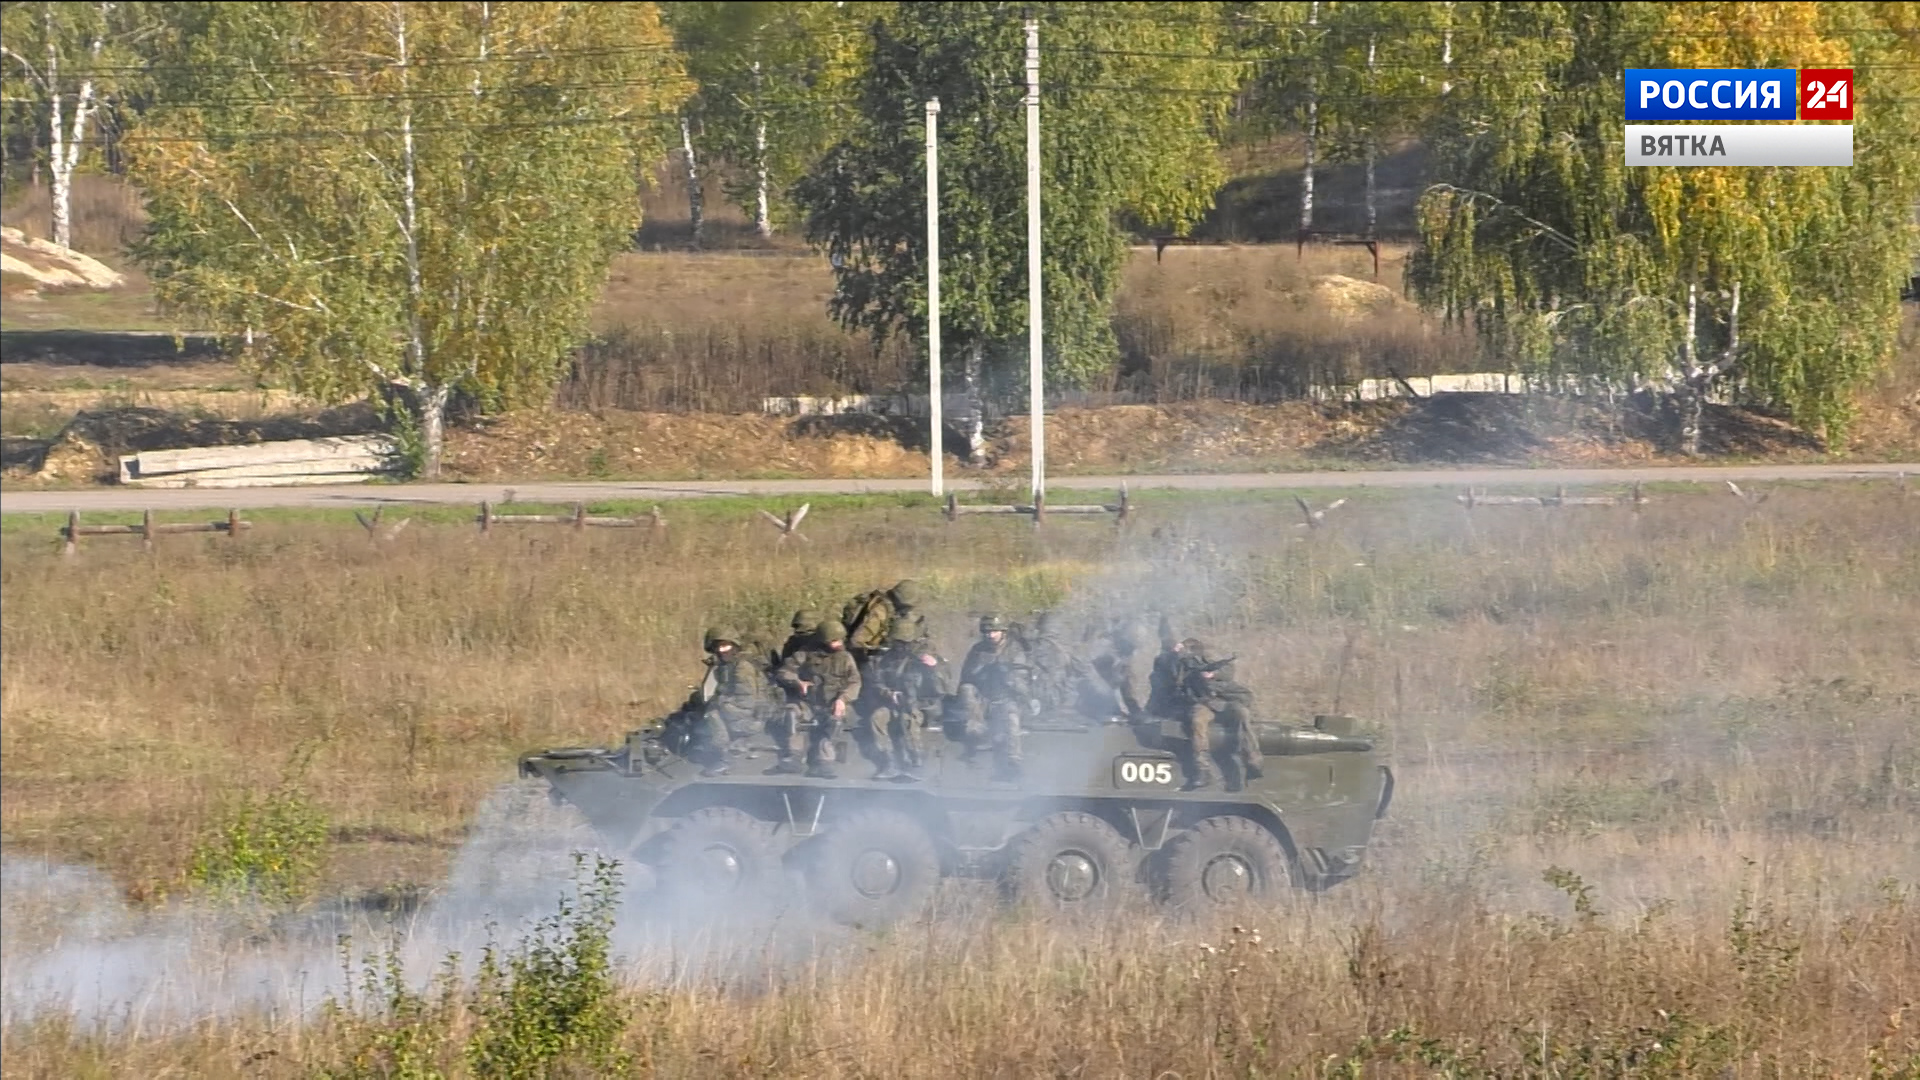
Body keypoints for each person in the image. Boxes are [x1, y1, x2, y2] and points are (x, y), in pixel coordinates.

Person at [674, 627, 776, 777]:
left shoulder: (742, 667)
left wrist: (719, 702)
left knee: (712, 714)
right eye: (718, 647)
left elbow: (746, 701)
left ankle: (723, 758)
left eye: (726, 646)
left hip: (750, 717)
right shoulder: (726, 667)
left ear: (735, 646)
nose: (722, 651)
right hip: (739, 712)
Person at [856, 626, 951, 781]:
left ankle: (916, 762)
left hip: (922, 706)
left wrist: (933, 668)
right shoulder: (887, 660)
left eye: (902, 643)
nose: (898, 646)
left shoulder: (926, 659)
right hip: (895, 703)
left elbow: (941, 688)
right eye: (896, 642)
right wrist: (889, 693)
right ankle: (889, 761)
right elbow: (877, 682)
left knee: (908, 719)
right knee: (877, 717)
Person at [772, 619, 862, 779]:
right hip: (809, 703)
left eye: (840, 640)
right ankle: (794, 756)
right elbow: (783, 672)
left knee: (834, 721)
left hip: (833, 703)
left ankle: (825, 761)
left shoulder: (846, 658)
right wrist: (797, 682)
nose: (838, 643)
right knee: (792, 712)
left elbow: (854, 682)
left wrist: (843, 699)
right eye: (834, 641)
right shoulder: (805, 654)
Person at [1175, 639, 1265, 791]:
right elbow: (1181, 679)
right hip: (1204, 702)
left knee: (1242, 714)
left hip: (1224, 700)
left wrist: (1213, 674)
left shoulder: (1213, 657)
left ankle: (1252, 760)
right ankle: (1202, 768)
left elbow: (1228, 671)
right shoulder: (1185, 664)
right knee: (1198, 720)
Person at [957, 614, 1031, 780]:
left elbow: (1023, 683)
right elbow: (966, 677)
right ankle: (977, 732)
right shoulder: (978, 650)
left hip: (1007, 698)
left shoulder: (1014, 650)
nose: (990, 635)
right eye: (987, 632)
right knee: (967, 690)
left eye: (994, 631)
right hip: (983, 698)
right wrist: (982, 669)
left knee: (1011, 719)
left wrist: (1007, 675)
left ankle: (1013, 759)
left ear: (1003, 632)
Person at [842, 579, 927, 664]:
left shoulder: (891, 609)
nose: (909, 609)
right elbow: (856, 643)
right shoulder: (880, 611)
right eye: (908, 606)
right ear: (902, 602)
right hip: (856, 656)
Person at [1022, 611, 1087, 719]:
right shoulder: (1071, 651)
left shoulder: (1029, 648)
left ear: (1039, 628)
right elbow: (1088, 677)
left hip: (1034, 707)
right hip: (1064, 708)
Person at [1087, 619, 1152, 723]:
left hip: (1114, 679)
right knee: (1112, 688)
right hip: (1102, 684)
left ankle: (1131, 711)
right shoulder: (1108, 649)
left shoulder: (1126, 654)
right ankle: (1115, 712)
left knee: (1124, 683)